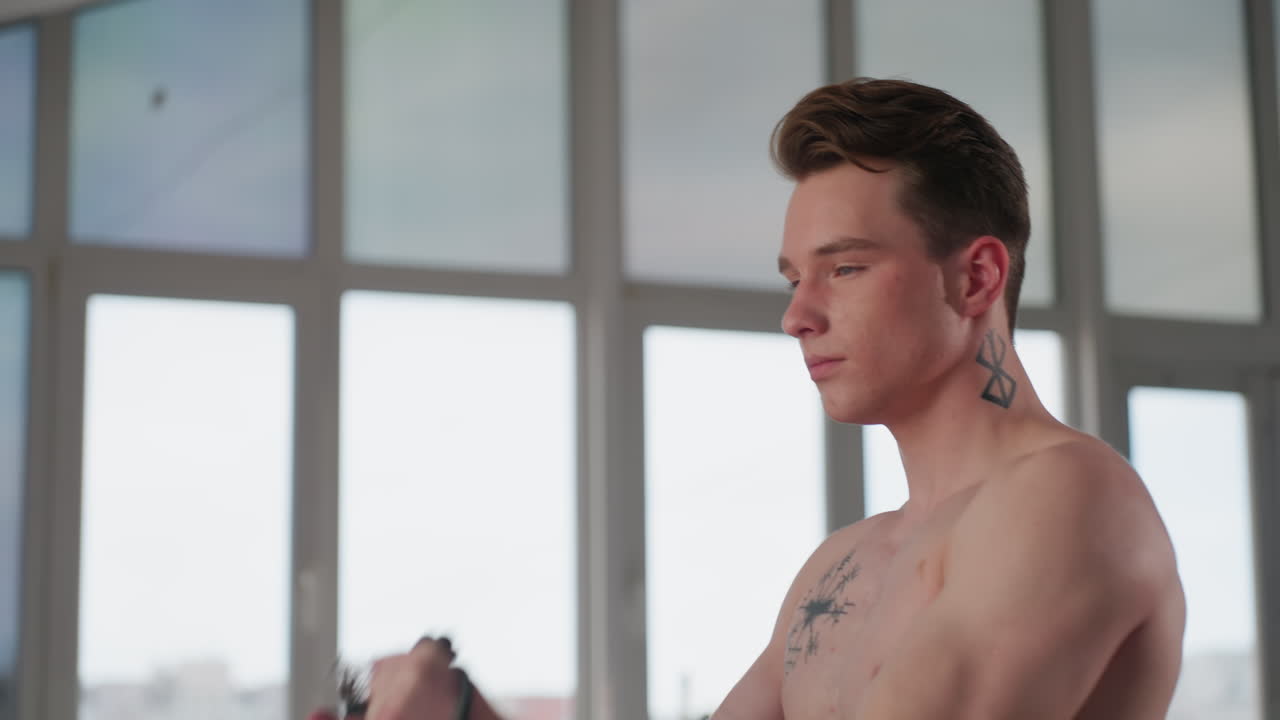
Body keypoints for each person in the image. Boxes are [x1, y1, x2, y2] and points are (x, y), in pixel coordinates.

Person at [311, 77, 1186, 720]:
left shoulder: (1069, 500)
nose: (798, 315)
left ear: (977, 277)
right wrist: (462, 713)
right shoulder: (843, 563)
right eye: (794, 278)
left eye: (845, 268)